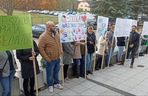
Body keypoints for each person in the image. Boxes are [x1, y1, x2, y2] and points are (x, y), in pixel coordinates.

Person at [38, 21, 63, 93]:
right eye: (53, 26)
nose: (54, 27)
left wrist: (60, 50)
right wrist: (47, 58)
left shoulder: (56, 34)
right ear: (48, 27)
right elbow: (41, 49)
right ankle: (50, 85)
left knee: (56, 72)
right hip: (50, 60)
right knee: (50, 74)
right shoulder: (43, 36)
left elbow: (59, 43)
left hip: (57, 58)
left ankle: (56, 83)